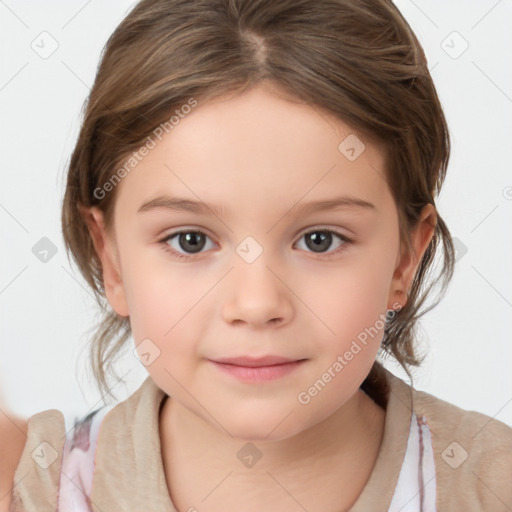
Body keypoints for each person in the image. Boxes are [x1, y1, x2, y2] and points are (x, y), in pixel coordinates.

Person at [2, 0, 512, 511]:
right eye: (190, 241)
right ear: (110, 258)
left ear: (405, 260)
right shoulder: (27, 486)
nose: (256, 303)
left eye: (320, 240)